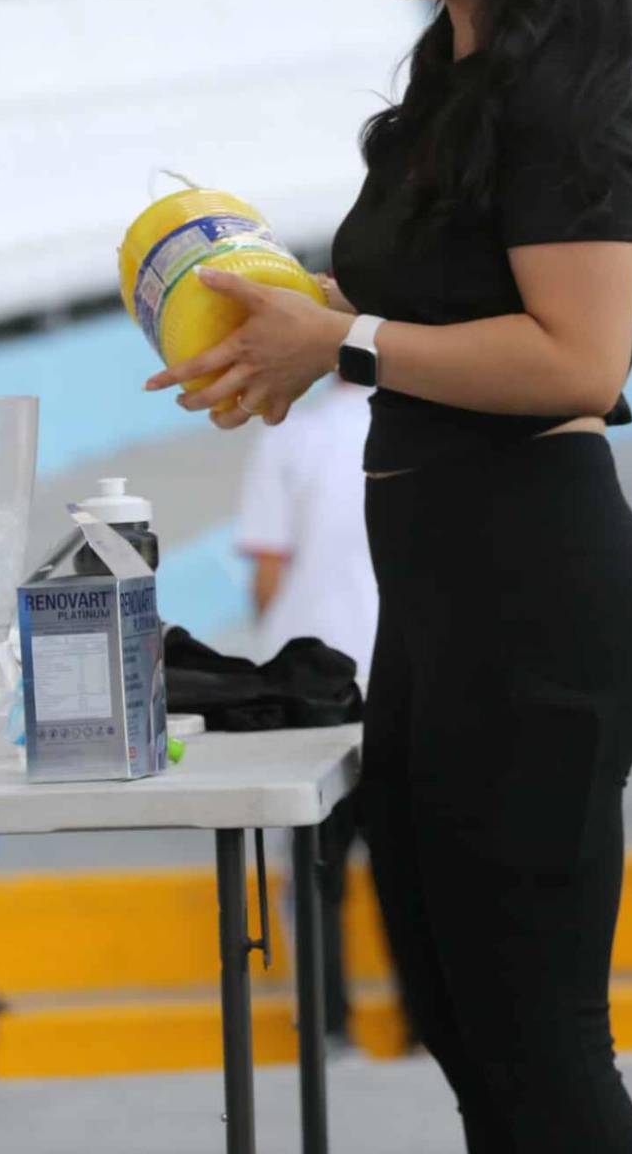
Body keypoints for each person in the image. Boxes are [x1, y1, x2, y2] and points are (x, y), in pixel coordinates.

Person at [146, 0, 632, 1152]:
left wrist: (350, 344)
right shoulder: (449, 90)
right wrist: (281, 325)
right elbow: (416, 302)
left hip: (546, 613)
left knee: (542, 1046)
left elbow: (581, 357)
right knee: (460, 1022)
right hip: (460, 619)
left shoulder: (569, 114)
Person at [237, 375, 379, 1051]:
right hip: (403, 674)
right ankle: (430, 1028)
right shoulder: (430, 433)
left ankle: (330, 1029)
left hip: (316, 683)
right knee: (411, 869)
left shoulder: (292, 435)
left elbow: (268, 570)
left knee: (316, 870)